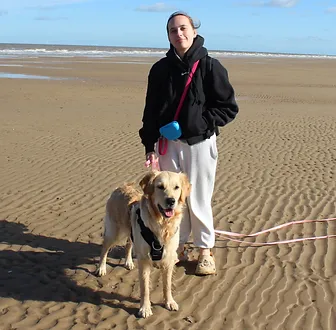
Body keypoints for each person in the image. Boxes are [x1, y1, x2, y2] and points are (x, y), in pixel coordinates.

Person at [139, 11, 239, 275]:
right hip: (167, 144)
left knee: (197, 198)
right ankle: (178, 246)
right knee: (170, 198)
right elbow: (151, 111)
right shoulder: (160, 69)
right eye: (173, 30)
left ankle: (205, 251)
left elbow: (228, 108)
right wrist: (149, 145)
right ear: (168, 36)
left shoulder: (210, 66)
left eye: (183, 28)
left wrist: (198, 123)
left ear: (194, 31)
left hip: (200, 143)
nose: (179, 34)